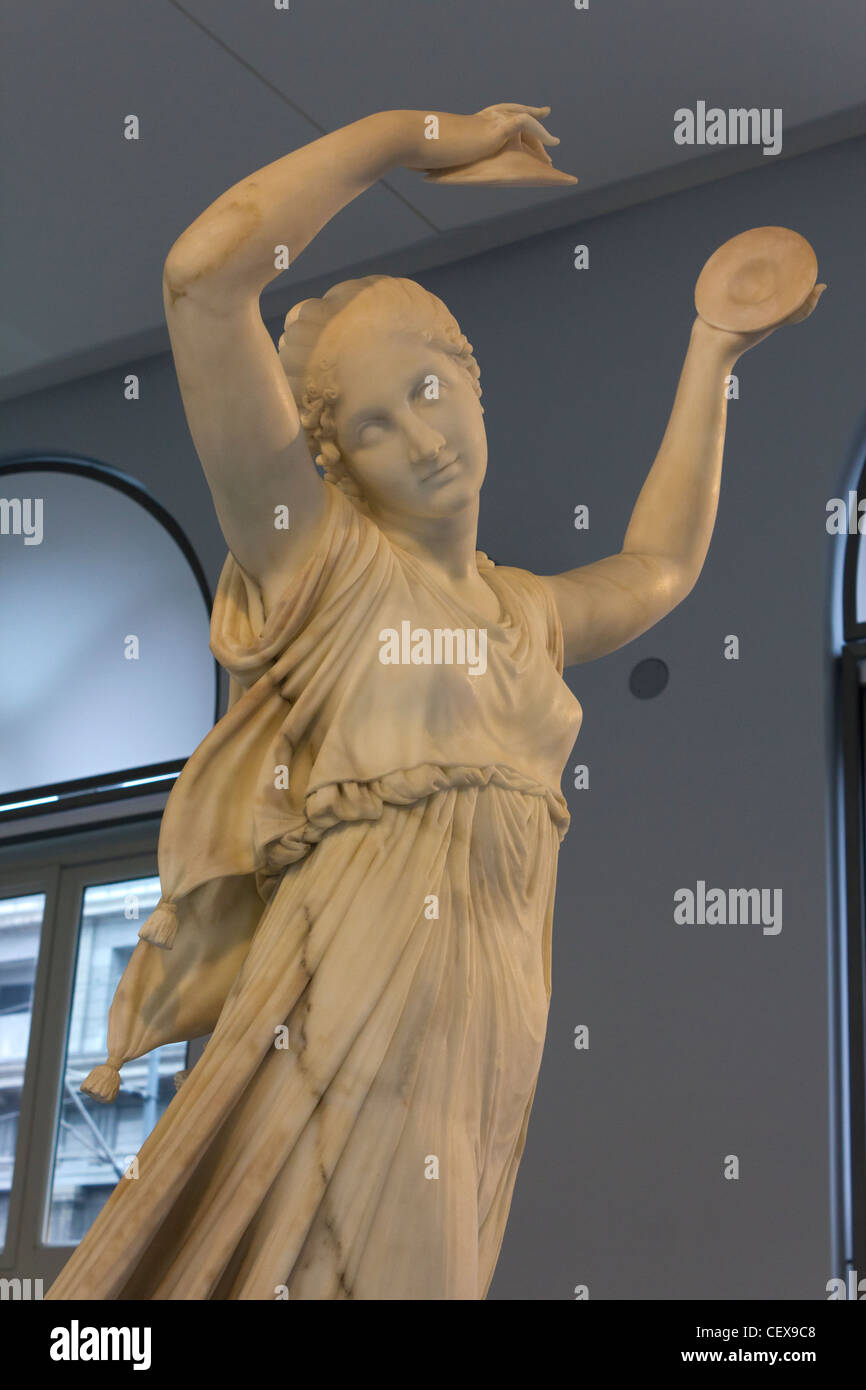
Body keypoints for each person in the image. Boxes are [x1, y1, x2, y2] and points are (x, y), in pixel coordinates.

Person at [46, 104, 823, 1301]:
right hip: (358, 984)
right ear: (334, 461)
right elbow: (203, 281)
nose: (417, 435)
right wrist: (405, 141)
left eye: (424, 387)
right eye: (368, 424)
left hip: (498, 1008)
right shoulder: (322, 572)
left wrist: (709, 354)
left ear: (470, 378)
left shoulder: (526, 615)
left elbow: (657, 567)